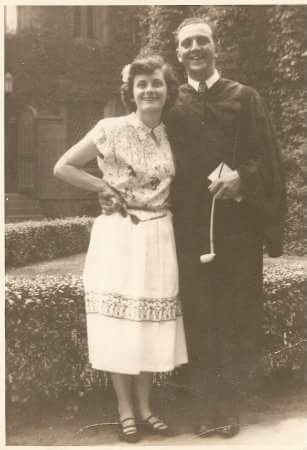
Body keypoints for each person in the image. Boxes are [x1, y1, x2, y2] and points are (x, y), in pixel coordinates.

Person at [54, 55, 188, 443]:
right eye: (141, 84)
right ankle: (124, 409)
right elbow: (63, 166)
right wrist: (104, 188)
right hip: (120, 232)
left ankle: (146, 407)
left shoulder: (171, 133)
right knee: (118, 321)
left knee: (149, 322)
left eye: (157, 83)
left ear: (167, 91)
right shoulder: (110, 128)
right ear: (130, 92)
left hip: (160, 232)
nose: (149, 90)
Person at [164, 17, 285, 438]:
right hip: (187, 229)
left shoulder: (244, 97)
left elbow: (267, 159)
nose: (196, 48)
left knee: (234, 316)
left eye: (203, 41)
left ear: (215, 48)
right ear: (177, 53)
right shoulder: (169, 103)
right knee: (197, 316)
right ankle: (203, 407)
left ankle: (230, 406)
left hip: (236, 231)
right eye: (187, 43)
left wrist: (242, 179)